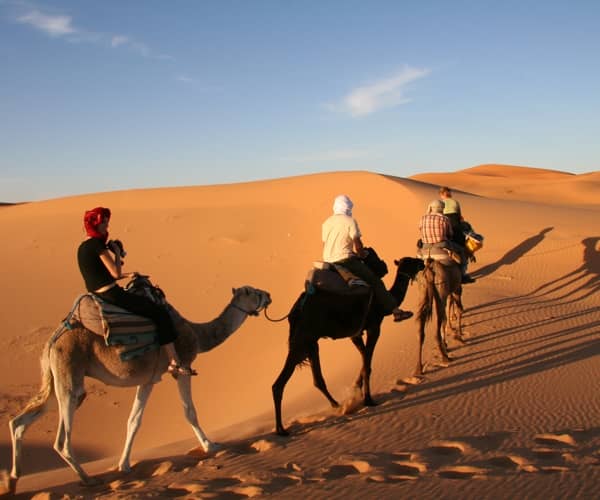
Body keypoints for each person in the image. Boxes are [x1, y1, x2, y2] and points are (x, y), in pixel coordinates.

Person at [77, 207, 196, 377]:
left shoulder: (83, 247)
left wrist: (128, 274)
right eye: (104, 223)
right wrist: (117, 253)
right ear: (96, 224)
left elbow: (98, 275)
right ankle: (174, 361)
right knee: (159, 312)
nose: (107, 227)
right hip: (112, 295)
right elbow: (115, 273)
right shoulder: (97, 246)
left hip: (98, 293)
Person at [322, 195, 413, 321]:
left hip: (328, 261)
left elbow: (325, 244)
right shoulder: (349, 221)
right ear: (347, 207)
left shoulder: (326, 222)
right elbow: (358, 245)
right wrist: (363, 254)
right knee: (375, 281)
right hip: (346, 261)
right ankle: (396, 311)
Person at [418, 200, 475, 284]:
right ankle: (463, 275)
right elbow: (450, 233)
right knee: (461, 251)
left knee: (418, 255)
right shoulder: (444, 218)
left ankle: (416, 276)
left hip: (426, 247)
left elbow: (420, 229)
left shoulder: (423, 218)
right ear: (442, 209)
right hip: (442, 245)